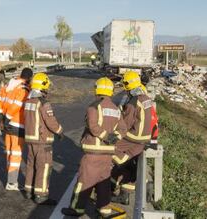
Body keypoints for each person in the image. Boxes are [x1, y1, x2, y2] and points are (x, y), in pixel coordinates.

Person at [61, 77, 126, 217]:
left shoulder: (94, 107)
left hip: (93, 153)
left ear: (97, 90)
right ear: (111, 91)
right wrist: (114, 137)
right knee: (103, 183)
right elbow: (123, 129)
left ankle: (77, 209)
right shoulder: (116, 109)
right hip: (108, 154)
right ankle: (104, 210)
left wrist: (105, 136)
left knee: (84, 182)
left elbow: (92, 126)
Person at [110, 71, 153, 205]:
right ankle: (125, 194)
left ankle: (112, 180)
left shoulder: (132, 103)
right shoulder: (145, 97)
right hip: (145, 137)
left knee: (110, 150)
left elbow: (125, 125)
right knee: (130, 164)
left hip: (133, 137)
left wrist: (114, 133)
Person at [23, 72, 63, 205]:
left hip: (30, 139)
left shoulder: (28, 101)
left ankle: (29, 190)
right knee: (44, 166)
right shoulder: (43, 103)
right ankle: (41, 195)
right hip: (42, 141)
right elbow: (50, 122)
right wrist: (60, 131)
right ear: (43, 86)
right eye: (46, 86)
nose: (48, 89)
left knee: (31, 165)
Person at [0, 68, 33, 191]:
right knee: (16, 154)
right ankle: (11, 183)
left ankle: (10, 180)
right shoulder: (23, 89)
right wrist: (6, 119)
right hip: (17, 125)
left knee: (10, 152)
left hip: (7, 126)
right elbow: (17, 105)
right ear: (29, 78)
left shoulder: (8, 85)